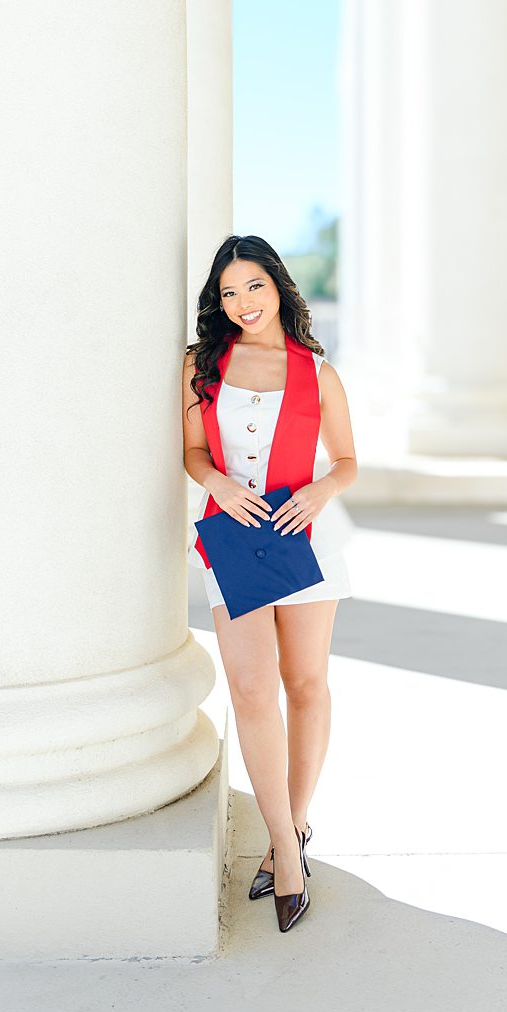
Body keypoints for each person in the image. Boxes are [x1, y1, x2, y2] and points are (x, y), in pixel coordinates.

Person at [180, 233, 356, 934]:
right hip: (235, 541)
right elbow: (192, 450)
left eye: (253, 285)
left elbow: (346, 460)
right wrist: (218, 480)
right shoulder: (203, 366)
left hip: (305, 540)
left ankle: (298, 823)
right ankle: (284, 847)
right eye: (228, 292)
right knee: (252, 691)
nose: (242, 302)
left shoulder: (317, 371)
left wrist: (321, 492)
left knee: (306, 685)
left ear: (278, 286)